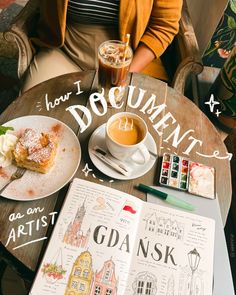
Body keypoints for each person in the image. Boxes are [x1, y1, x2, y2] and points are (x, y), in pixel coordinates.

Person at [22, 0, 183, 92]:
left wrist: (126, 73)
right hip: (65, 48)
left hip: (128, 59)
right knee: (29, 113)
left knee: (122, 131)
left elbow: (163, 27)